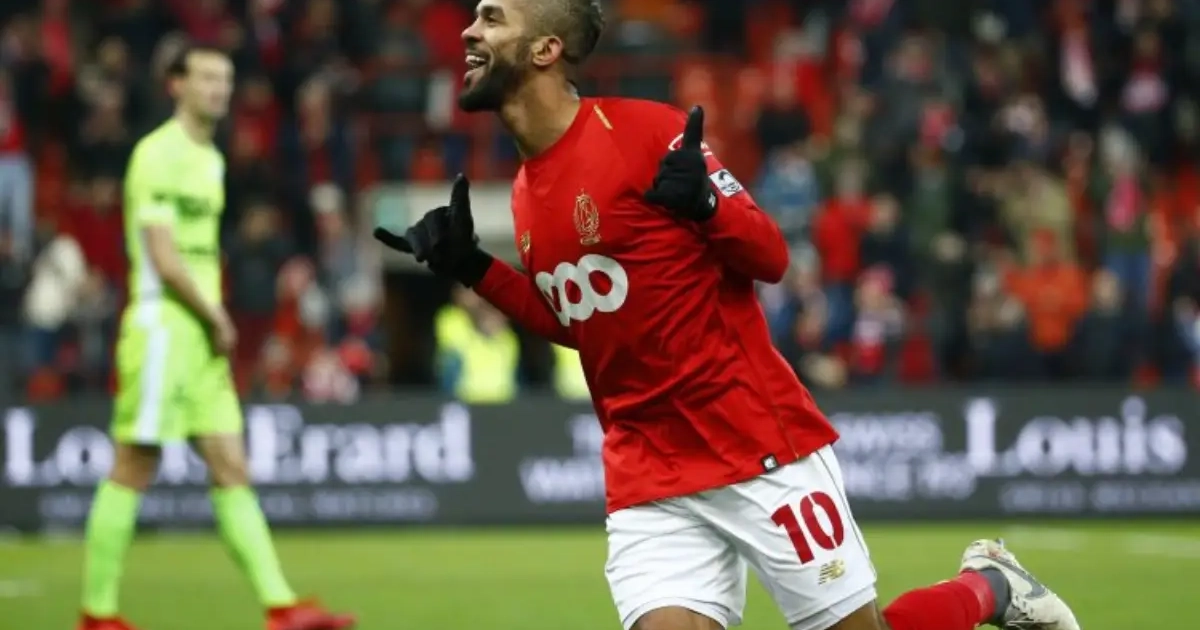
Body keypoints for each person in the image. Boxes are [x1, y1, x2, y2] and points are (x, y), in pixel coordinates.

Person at [374, 2, 1083, 630]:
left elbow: (770, 255)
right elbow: (584, 324)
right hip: (647, 468)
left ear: (545, 48)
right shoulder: (527, 190)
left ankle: (989, 586)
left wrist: (708, 205)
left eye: (492, 16)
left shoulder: (643, 133)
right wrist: (477, 269)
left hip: (752, 442)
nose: (468, 30)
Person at [78, 44, 355, 630]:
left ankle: (281, 607)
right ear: (175, 84)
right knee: (134, 463)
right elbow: (163, 257)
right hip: (163, 326)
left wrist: (210, 320)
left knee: (231, 465)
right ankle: (97, 614)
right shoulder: (156, 154)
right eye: (205, 77)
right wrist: (216, 315)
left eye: (225, 79)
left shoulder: (210, 158)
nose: (218, 89)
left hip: (202, 332)